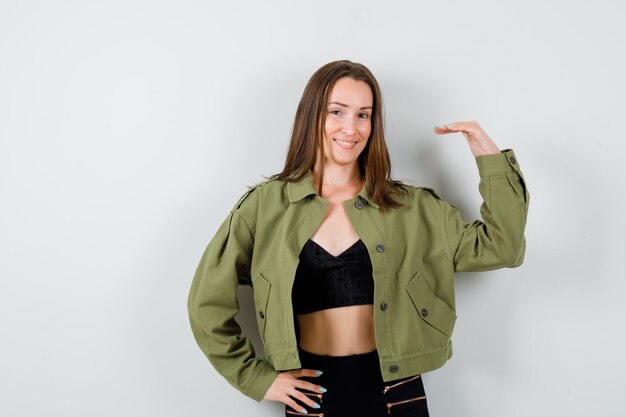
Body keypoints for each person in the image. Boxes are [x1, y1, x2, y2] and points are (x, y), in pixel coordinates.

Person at [187, 60, 529, 417]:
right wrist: (256, 379)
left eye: (363, 115)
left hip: (397, 393)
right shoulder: (265, 206)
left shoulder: (411, 207)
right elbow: (206, 304)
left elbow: (502, 247)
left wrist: (489, 157)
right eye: (337, 111)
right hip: (312, 395)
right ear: (312, 116)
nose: (350, 128)